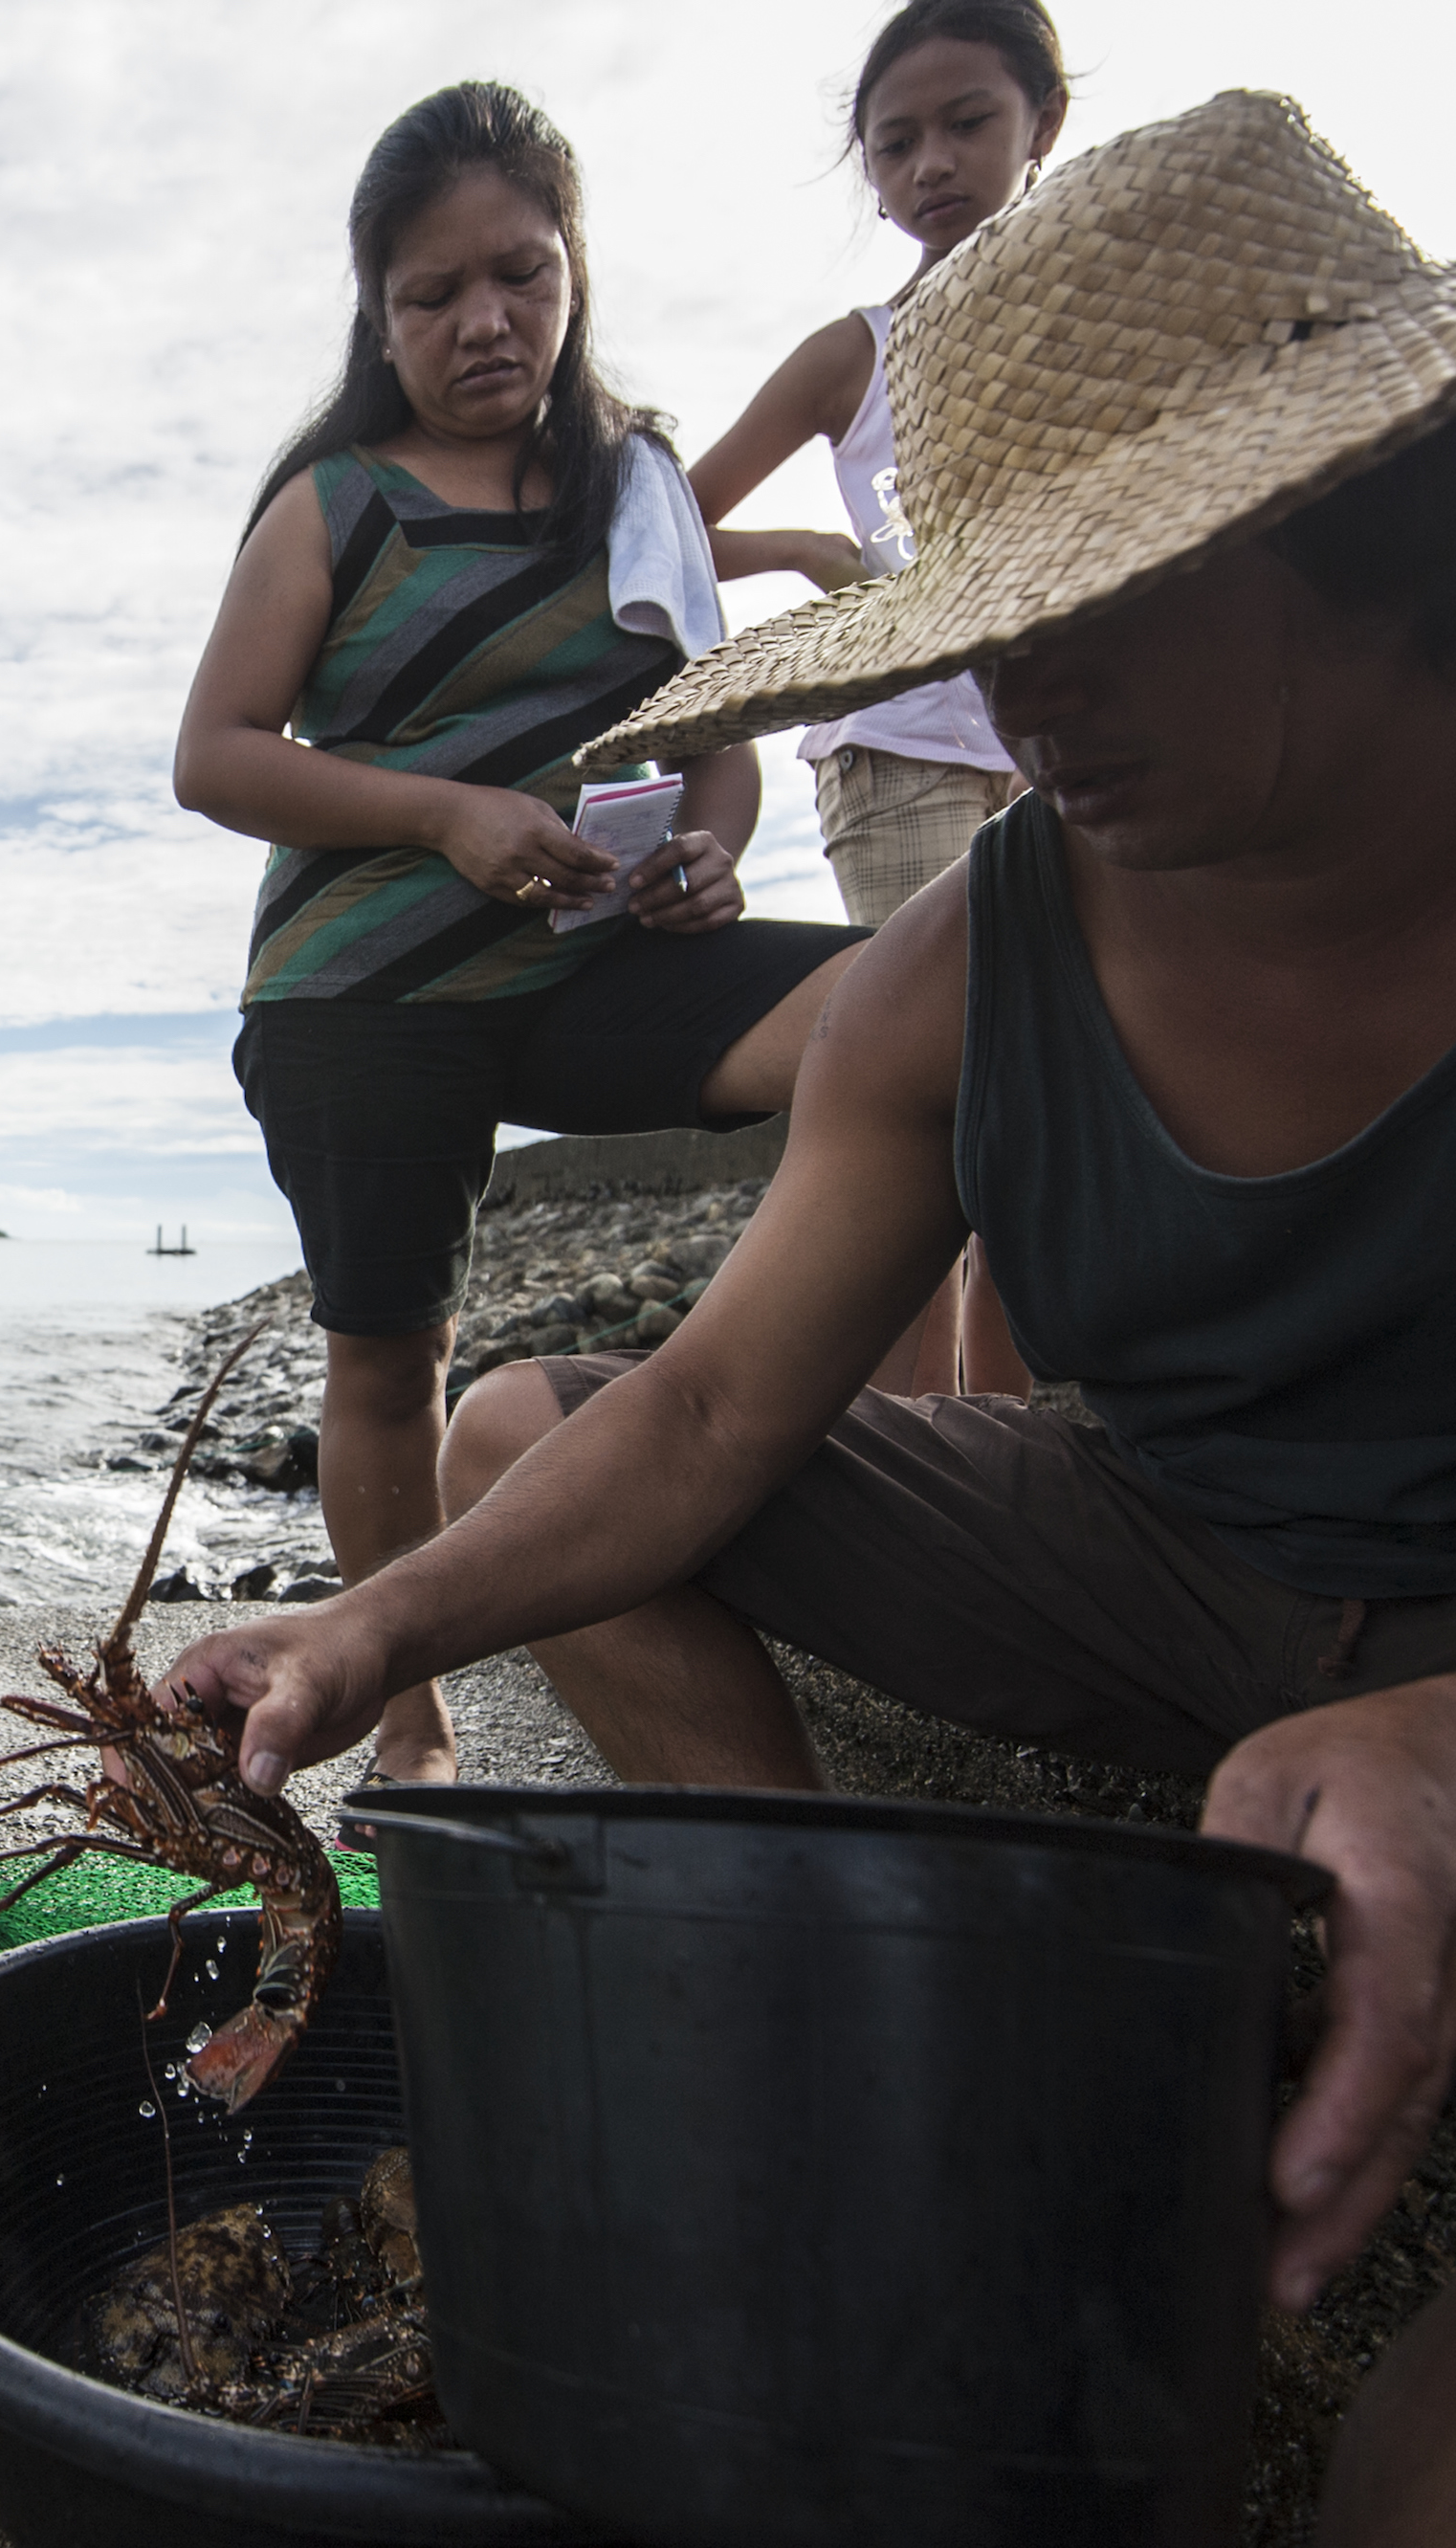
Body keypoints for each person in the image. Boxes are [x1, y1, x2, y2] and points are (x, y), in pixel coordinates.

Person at [166, 94, 1456, 2545]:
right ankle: (851, 2027)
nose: (1026, 704)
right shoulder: (955, 970)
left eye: (1104, 600)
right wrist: (370, 1629)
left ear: (1373, 507)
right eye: (983, 627)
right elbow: (725, 1408)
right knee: (533, 1425)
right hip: (1178, 1543)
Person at [171, 80, 867, 1787]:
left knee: (888, 1007)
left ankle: (867, 1432)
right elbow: (216, 757)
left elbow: (720, 733)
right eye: (432, 294)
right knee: (390, 1367)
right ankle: (409, 1735)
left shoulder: (635, 489)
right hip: (366, 994)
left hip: (587, 961)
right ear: (379, 313)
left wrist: (706, 851)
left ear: (571, 274)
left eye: (521, 275)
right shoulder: (336, 506)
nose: (485, 319)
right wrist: (440, 812)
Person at [684, 0, 1072, 1395]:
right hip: (900, 746)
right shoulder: (853, 351)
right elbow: (655, 524)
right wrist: (792, 548)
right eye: (895, 143)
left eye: (968, 123)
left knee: (1066, 1088)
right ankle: (934, 1453)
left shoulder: (1101, 320)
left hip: (1078, 744)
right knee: (954, 1086)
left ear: (1045, 124)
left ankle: (1010, 1441)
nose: (931, 167)